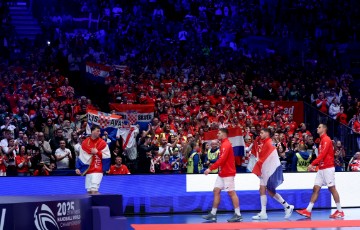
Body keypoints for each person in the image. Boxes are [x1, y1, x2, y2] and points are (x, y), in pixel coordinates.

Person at [296, 123, 344, 218]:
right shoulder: (322, 140)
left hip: (328, 168)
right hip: (322, 168)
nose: (317, 128)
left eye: (319, 127)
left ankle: (340, 211)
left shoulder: (326, 139)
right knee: (316, 188)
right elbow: (323, 155)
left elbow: (322, 155)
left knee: (332, 188)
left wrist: (312, 164)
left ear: (324, 129)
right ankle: (308, 210)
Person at [250, 128, 294, 220]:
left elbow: (265, 157)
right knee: (263, 189)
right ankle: (264, 212)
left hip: (269, 170)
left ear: (267, 133)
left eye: (262, 132)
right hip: (265, 169)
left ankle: (287, 206)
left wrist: (258, 166)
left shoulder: (269, 143)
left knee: (269, 191)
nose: (260, 134)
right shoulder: (265, 142)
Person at [202, 128, 242, 223]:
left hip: (228, 173)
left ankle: (238, 214)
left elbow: (221, 160)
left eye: (219, 133)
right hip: (222, 173)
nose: (217, 134)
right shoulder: (223, 144)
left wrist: (210, 169)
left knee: (231, 192)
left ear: (224, 134)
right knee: (216, 190)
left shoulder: (226, 145)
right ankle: (213, 214)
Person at [75, 125, 111, 194]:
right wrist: (78, 168)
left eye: (100, 131)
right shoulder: (85, 142)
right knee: (89, 192)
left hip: (98, 170)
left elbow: (107, 156)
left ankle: (102, 203)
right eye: (98, 131)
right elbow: (81, 157)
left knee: (94, 191)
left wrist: (97, 152)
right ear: (92, 131)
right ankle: (95, 204)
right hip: (88, 170)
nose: (99, 133)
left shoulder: (102, 143)